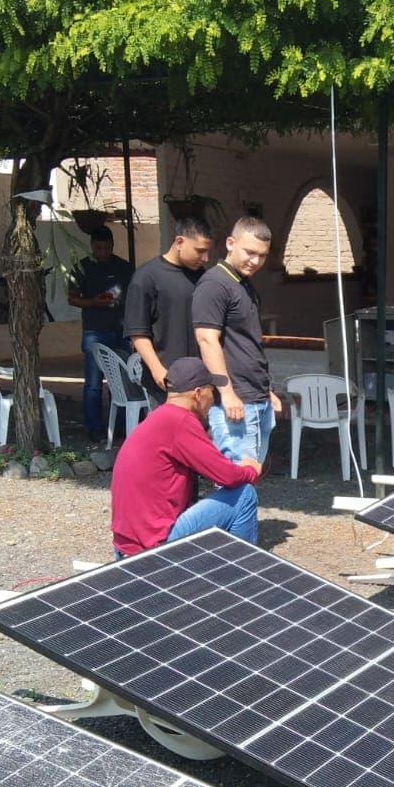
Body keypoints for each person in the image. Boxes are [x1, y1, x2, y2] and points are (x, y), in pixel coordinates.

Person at [111, 356, 263, 555]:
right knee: (244, 494)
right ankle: (241, 571)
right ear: (198, 394)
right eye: (212, 391)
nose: (213, 399)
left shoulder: (158, 417)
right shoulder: (181, 421)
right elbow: (228, 476)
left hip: (125, 547)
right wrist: (251, 469)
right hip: (153, 546)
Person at [194, 215, 284, 464]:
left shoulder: (243, 284)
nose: (255, 261)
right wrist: (227, 392)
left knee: (249, 478)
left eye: (263, 255)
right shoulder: (215, 284)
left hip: (256, 396)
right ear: (230, 243)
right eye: (250, 252)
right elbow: (206, 339)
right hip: (235, 400)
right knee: (234, 482)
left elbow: (247, 343)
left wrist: (266, 391)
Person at [124, 216, 215, 406]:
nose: (205, 258)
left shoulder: (203, 277)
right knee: (167, 434)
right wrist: (157, 369)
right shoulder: (146, 277)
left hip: (200, 381)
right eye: (200, 251)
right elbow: (137, 331)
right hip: (166, 383)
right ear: (179, 242)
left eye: (207, 251)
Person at [66, 226, 134, 441]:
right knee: (94, 384)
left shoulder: (125, 268)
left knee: (123, 383)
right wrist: (93, 302)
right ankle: (93, 428)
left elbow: (135, 295)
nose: (103, 252)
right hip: (95, 331)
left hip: (121, 330)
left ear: (112, 245)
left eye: (106, 248)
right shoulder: (82, 268)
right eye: (98, 248)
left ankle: (123, 427)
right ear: (92, 247)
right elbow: (72, 298)